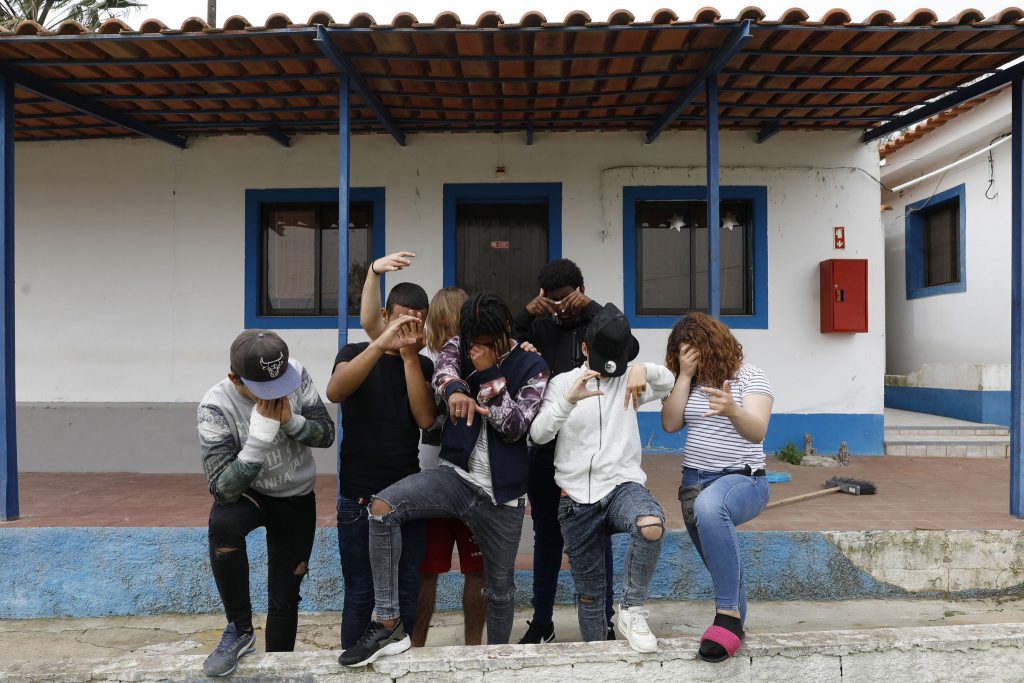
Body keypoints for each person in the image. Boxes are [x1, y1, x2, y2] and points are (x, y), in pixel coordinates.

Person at [339, 291, 550, 668]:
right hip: (455, 477)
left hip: (503, 497)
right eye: (473, 342)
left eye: (486, 343)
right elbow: (443, 372)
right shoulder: (459, 345)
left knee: (499, 589)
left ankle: (495, 662)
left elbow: (516, 427)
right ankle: (387, 622)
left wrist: (488, 375)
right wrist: (454, 389)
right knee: (382, 508)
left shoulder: (533, 366)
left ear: (504, 333)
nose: (476, 348)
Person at [356, 251, 486, 647]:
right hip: (459, 479)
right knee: (466, 572)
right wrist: (376, 272)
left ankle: (419, 646)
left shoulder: (452, 356)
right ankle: (465, 648)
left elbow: (369, 323)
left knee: (427, 572)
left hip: (440, 476)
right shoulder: (426, 355)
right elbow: (371, 324)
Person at [530, 304, 673, 653]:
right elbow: (538, 434)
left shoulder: (629, 380)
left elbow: (669, 381)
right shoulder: (563, 383)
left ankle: (632, 608)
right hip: (576, 499)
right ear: (583, 348)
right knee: (591, 597)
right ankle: (599, 659)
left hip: (622, 487)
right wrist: (567, 401)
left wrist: (642, 369)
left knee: (651, 525)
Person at [198, 330, 336, 677]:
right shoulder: (215, 406)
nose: (276, 395)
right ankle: (240, 630)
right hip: (250, 494)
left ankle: (278, 670)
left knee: (285, 597)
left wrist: (291, 422)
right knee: (224, 523)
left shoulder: (296, 374)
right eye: (264, 389)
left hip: (295, 495)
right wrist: (258, 443)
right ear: (234, 377)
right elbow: (222, 488)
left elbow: (326, 433)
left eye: (280, 384)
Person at [326, 280, 435, 652]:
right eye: (400, 321)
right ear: (385, 316)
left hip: (406, 499)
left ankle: (400, 663)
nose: (406, 330)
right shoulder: (355, 351)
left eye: (416, 323)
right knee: (360, 591)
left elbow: (423, 418)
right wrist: (381, 344)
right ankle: (351, 664)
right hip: (358, 497)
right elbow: (336, 392)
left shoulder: (421, 364)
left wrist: (407, 357)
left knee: (407, 586)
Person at [659, 312, 774, 663]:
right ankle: (734, 628)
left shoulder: (750, 377)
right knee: (720, 562)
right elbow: (669, 423)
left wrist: (733, 410)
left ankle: (725, 616)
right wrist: (684, 376)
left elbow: (758, 431)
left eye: (697, 351)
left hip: (743, 479)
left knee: (712, 507)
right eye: (683, 353)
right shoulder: (687, 382)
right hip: (694, 483)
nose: (692, 358)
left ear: (716, 345)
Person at [512, 258, 616, 644]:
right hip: (545, 446)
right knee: (547, 534)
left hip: (590, 449)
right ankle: (542, 621)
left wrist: (587, 306)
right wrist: (528, 311)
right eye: (550, 300)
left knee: (596, 533)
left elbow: (623, 334)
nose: (558, 307)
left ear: (579, 290)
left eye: (564, 299)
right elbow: (505, 339)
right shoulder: (535, 325)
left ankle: (604, 618)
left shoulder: (596, 322)